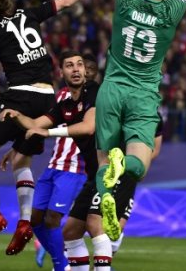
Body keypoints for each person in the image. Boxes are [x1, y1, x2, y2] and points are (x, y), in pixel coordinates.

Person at [0, 0, 118, 254]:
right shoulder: (28, 14)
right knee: (21, 162)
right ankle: (24, 222)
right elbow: (65, 1)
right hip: (48, 97)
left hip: (19, 96)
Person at [95, 0, 186, 240]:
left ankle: (106, 194)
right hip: (143, 95)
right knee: (139, 165)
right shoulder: (172, 11)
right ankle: (123, 170)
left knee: (104, 162)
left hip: (111, 88)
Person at [0, 51, 96, 270]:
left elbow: (87, 128)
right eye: (70, 65)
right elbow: (37, 125)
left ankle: (65, 264)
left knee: (54, 219)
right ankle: (64, 261)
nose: (78, 70)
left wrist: (45, 133)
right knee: (34, 219)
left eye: (81, 65)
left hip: (75, 167)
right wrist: (16, 130)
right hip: (54, 165)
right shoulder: (61, 99)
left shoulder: (93, 96)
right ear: (61, 72)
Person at [63, 115, 164, 271]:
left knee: (98, 224)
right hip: (98, 172)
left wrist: (131, 164)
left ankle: (103, 266)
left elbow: (154, 150)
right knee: (71, 230)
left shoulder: (151, 115)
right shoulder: (108, 101)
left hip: (120, 172)